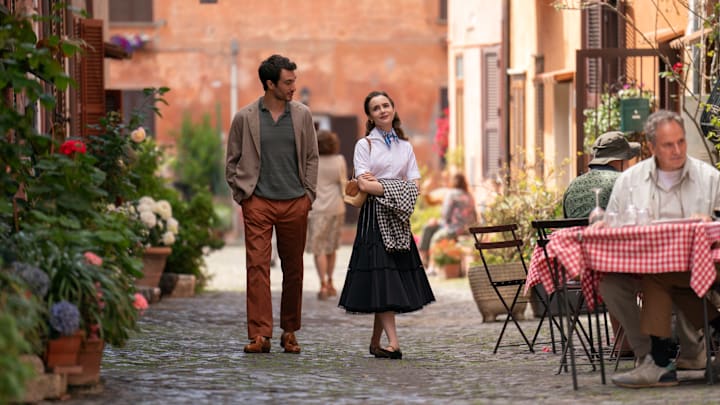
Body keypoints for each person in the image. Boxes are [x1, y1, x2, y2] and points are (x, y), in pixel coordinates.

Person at [603, 110, 720, 387]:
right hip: (646, 263)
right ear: (652, 146)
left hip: (706, 263)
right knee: (609, 282)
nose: (677, 150)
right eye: (668, 145)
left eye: (681, 142)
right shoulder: (629, 181)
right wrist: (601, 222)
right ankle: (649, 353)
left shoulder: (709, 177)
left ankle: (659, 362)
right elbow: (611, 221)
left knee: (660, 276)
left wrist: (713, 220)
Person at [225, 54, 318, 354]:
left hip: (295, 202)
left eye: (294, 80)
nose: (294, 87)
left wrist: (309, 195)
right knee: (257, 267)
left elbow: (311, 158)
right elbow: (232, 161)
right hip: (259, 202)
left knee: (294, 269)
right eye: (288, 82)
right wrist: (244, 197)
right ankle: (260, 335)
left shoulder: (302, 115)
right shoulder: (245, 117)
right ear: (270, 83)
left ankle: (289, 331)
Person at [338, 90, 435, 360]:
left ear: (393, 108)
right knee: (385, 276)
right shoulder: (364, 145)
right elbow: (363, 183)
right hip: (373, 219)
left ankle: (375, 342)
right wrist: (397, 187)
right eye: (376, 108)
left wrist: (382, 186)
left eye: (386, 105)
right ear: (369, 115)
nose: (382, 110)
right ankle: (394, 343)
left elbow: (415, 185)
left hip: (398, 218)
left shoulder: (405, 147)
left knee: (389, 278)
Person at [306, 129, 347, 300]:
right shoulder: (339, 160)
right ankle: (330, 282)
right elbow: (343, 185)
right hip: (336, 208)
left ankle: (322, 283)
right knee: (332, 247)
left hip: (316, 210)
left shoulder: (311, 161)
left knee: (319, 249)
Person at [562, 131, 641, 219]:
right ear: (619, 160)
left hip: (576, 233)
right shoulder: (624, 181)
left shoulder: (573, 185)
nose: (628, 164)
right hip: (611, 232)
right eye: (628, 159)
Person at [418, 173, 477, 271]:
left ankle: (430, 266)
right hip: (468, 229)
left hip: (454, 229)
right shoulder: (469, 196)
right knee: (429, 228)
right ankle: (424, 262)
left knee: (435, 236)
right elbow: (474, 216)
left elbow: (445, 214)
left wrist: (438, 222)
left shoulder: (451, 194)